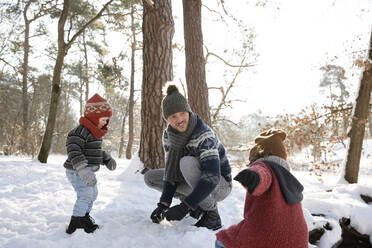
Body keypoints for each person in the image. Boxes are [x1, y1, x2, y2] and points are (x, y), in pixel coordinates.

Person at [144, 85, 232, 231]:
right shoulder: (168, 136)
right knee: (150, 177)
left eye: (182, 113)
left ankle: (212, 214)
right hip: (196, 181)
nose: (179, 119)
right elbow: (172, 173)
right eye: (173, 116)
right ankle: (197, 205)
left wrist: (184, 207)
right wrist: (163, 204)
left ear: (188, 112)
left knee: (186, 163)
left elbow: (212, 176)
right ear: (167, 120)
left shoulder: (203, 134)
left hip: (220, 185)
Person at [215, 129, 308, 248]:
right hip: (298, 239)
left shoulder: (264, 166)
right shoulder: (288, 177)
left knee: (222, 240)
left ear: (259, 154)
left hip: (269, 236)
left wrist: (254, 178)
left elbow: (263, 176)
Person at [64, 93, 117, 234]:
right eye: (104, 119)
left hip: (88, 170)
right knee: (85, 193)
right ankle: (76, 221)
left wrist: (106, 159)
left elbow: (95, 151)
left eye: (107, 120)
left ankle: (84, 217)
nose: (106, 123)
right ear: (93, 117)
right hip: (77, 170)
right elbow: (74, 151)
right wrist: (83, 170)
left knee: (93, 194)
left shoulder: (95, 134)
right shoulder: (79, 132)